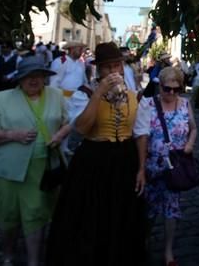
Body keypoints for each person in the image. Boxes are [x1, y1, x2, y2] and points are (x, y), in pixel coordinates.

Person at [46, 42, 148, 265]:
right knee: (92, 215)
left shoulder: (134, 97)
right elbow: (82, 128)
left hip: (125, 159)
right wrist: (99, 92)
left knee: (123, 214)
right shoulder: (85, 94)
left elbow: (141, 134)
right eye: (107, 67)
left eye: (116, 66)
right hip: (94, 160)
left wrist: (141, 168)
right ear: (99, 70)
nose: (113, 71)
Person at [0, 58, 70, 266]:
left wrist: (60, 135)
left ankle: (33, 261)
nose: (34, 79)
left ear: (45, 76)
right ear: (20, 79)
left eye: (38, 74)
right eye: (29, 75)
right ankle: (8, 252)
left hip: (43, 167)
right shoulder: (2, 98)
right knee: (8, 215)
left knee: (36, 214)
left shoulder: (56, 95)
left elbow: (68, 122)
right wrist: (11, 134)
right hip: (7, 169)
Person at [140, 67, 197, 266]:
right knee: (148, 210)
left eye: (176, 89)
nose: (171, 93)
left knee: (172, 210)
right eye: (167, 89)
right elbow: (140, 135)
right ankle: (144, 241)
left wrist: (189, 144)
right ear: (160, 86)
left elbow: (194, 129)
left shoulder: (185, 104)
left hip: (175, 168)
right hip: (152, 167)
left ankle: (168, 251)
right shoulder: (148, 104)